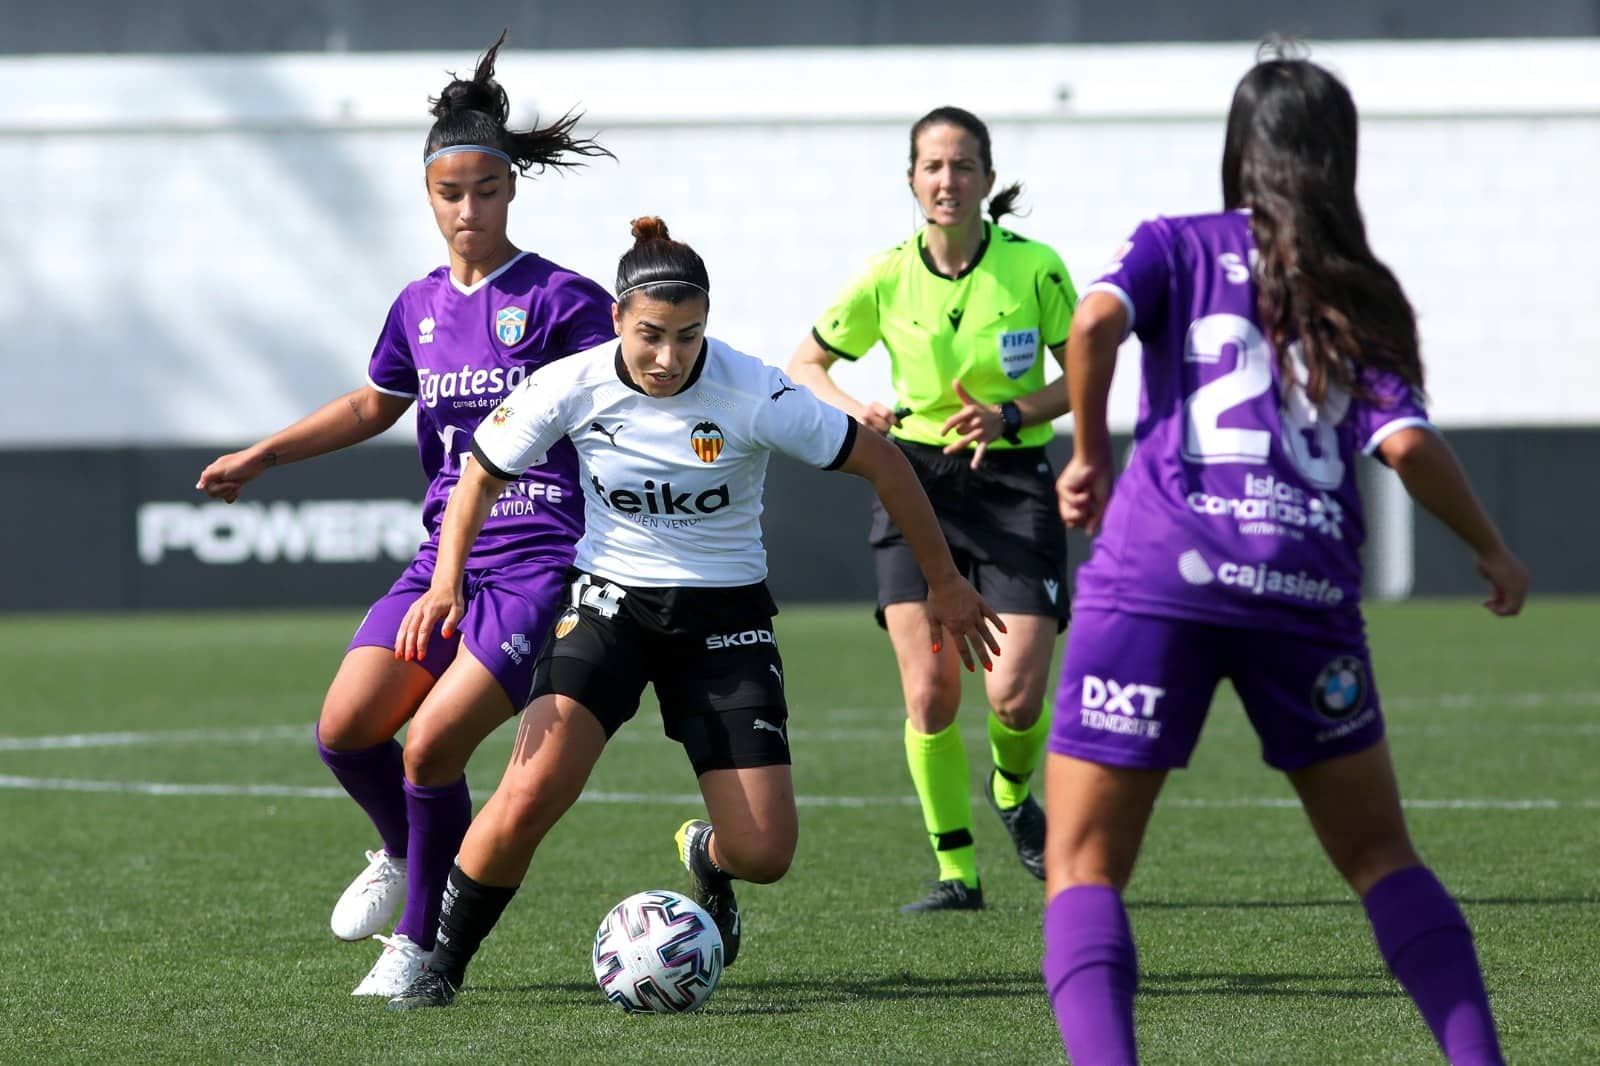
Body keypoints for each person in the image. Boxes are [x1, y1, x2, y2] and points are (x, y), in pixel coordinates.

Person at [1042, 48, 1529, 1065]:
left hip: (1155, 577)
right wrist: (1489, 548)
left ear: (1238, 149)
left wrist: (1087, 452)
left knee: (1082, 863)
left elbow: (1092, 320)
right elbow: (1402, 445)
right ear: (1336, 158)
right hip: (1302, 590)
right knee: (1379, 855)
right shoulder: (1361, 289)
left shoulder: (1176, 242)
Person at [383, 217, 1003, 1009]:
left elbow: (883, 462)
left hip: (724, 621)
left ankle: (708, 856)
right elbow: (479, 473)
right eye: (650, 336)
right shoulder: (568, 383)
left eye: (688, 335)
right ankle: (442, 964)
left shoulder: (753, 390)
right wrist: (447, 580)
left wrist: (944, 581)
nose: (669, 357)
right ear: (617, 320)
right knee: (532, 789)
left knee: (767, 851)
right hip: (608, 606)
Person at [194, 32, 616, 997]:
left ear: (513, 189)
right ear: (428, 196)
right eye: (449, 193)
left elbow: (625, 399)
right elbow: (372, 404)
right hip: (444, 555)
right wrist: (265, 453)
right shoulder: (417, 305)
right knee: (344, 732)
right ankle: (400, 849)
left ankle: (421, 948)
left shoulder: (564, 301)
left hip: (541, 556)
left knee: (430, 744)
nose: (469, 210)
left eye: (487, 190)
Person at [787, 107, 1076, 912]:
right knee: (931, 697)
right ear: (912, 181)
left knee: (1014, 696)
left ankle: (1014, 792)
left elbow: (1084, 370)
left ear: (987, 177)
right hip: (913, 483)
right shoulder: (885, 274)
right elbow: (805, 364)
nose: (947, 180)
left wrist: (1013, 414)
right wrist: (854, 407)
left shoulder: (1035, 268)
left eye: (962, 166)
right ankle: (957, 874)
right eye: (932, 167)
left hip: (1015, 483)